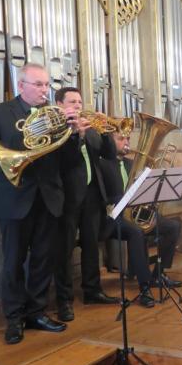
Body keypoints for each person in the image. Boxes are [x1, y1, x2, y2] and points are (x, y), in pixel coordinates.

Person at [0, 63, 82, 344]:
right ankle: (14, 318)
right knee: (13, 261)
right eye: (38, 84)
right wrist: (15, 161)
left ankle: (36, 312)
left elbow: (68, 163)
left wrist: (75, 136)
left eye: (47, 85)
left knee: (42, 260)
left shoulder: (57, 117)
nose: (44, 90)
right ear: (21, 85)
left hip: (48, 198)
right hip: (14, 196)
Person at [53, 87, 119, 323]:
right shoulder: (54, 129)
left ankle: (92, 291)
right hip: (67, 197)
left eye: (80, 101)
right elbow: (63, 162)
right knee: (65, 250)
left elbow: (110, 155)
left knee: (92, 245)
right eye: (72, 101)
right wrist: (75, 135)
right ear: (59, 104)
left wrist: (105, 131)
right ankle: (64, 300)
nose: (78, 106)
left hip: (92, 194)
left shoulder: (90, 128)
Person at [100, 131, 182, 307]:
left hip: (135, 215)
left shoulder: (132, 164)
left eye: (128, 139)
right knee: (137, 232)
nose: (126, 142)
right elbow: (101, 197)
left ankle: (157, 275)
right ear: (110, 142)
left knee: (173, 227)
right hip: (114, 218)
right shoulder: (103, 165)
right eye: (120, 139)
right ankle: (144, 286)